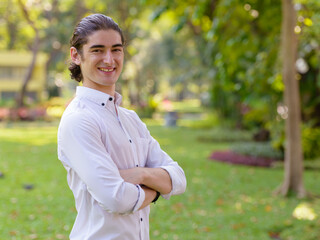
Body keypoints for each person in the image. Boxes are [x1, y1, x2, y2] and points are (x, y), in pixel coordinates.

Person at [57, 13, 186, 240]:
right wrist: (156, 189)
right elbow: (116, 198)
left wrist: (139, 174)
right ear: (76, 55)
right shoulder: (79, 120)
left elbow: (178, 178)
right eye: (98, 50)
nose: (109, 59)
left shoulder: (130, 119)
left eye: (116, 49)